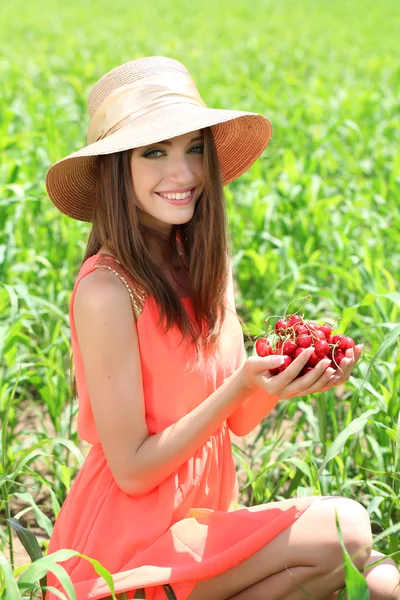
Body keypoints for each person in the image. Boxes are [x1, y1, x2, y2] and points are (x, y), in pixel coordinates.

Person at [44, 56, 399, 600]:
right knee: (346, 528)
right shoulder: (107, 290)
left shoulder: (203, 260)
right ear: (118, 168)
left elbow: (235, 422)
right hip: (127, 554)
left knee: (378, 580)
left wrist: (286, 379)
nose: (183, 173)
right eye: (155, 152)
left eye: (193, 149)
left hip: (199, 524)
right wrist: (240, 385)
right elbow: (134, 470)